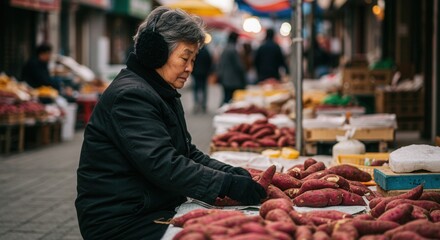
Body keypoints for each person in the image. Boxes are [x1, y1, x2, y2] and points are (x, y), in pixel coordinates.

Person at [75, 6, 266, 240]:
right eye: (185, 58)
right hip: (120, 221)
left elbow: (186, 153)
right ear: (154, 52)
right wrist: (227, 185)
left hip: (149, 209)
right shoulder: (130, 96)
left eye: (193, 60)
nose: (190, 68)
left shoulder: (159, 90)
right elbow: (164, 163)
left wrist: (234, 174)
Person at [217, 31, 246, 105]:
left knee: (226, 98)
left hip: (225, 78)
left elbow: (220, 64)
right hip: (233, 80)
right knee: (230, 100)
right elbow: (239, 66)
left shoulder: (225, 48)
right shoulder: (233, 50)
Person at [191, 45, 212, 113]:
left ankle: (196, 104)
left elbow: (192, 61)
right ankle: (203, 105)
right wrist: (208, 71)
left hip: (196, 73)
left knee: (196, 89)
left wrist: (192, 71)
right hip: (204, 74)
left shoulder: (196, 51)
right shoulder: (206, 51)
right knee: (204, 89)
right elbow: (209, 62)